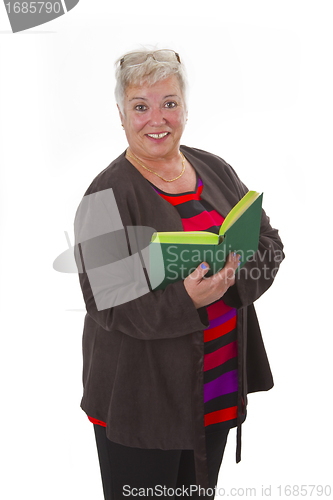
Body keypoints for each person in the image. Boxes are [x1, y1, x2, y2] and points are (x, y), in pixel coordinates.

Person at [73, 48, 284, 499]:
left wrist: (230, 278)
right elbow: (105, 300)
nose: (157, 118)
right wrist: (187, 301)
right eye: (140, 106)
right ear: (121, 113)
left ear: (185, 107)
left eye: (169, 102)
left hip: (215, 386)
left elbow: (268, 243)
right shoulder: (107, 193)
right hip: (143, 401)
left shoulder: (215, 167)